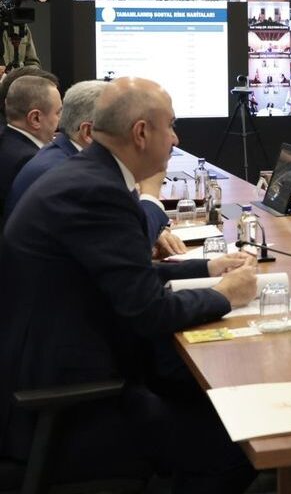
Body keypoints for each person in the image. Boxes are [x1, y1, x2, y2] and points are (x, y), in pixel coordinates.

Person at [0, 77, 258, 493]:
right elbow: (148, 311)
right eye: (171, 126)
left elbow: (126, 278)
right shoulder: (96, 192)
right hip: (70, 405)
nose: (175, 139)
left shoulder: (88, 175)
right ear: (141, 133)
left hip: (64, 372)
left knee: (204, 398)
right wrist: (224, 295)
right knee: (239, 446)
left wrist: (209, 268)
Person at [3, 79, 184, 255]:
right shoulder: (70, 176)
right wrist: (150, 192)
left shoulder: (62, 156)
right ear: (88, 132)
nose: (135, 141)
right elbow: (127, 249)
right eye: (120, 129)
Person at [0, 74, 60, 215]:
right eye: (58, 112)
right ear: (35, 118)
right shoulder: (33, 162)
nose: (61, 120)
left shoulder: (5, 140)